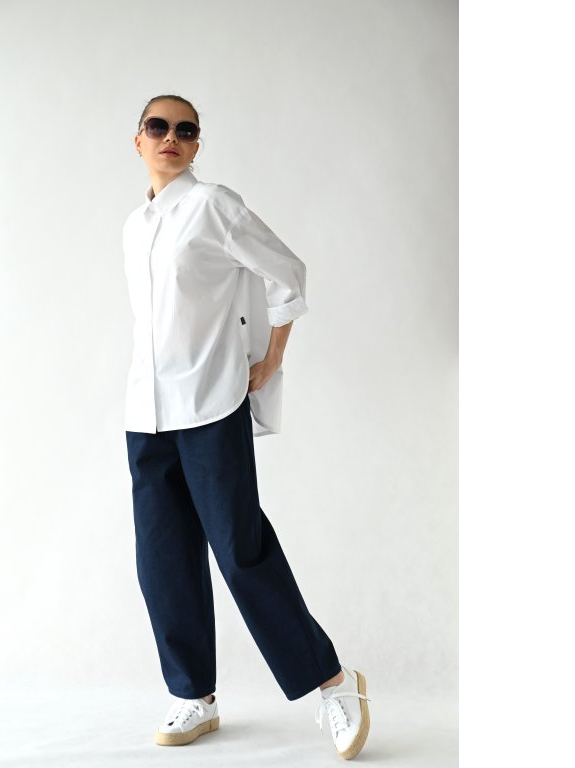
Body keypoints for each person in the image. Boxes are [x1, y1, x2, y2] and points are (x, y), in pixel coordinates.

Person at [122, 94, 371, 761]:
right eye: (157, 126)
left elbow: (287, 274)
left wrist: (272, 356)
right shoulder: (135, 226)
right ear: (137, 140)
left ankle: (332, 681)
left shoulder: (213, 206)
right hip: (146, 413)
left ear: (197, 145)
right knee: (163, 559)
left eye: (186, 130)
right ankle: (193, 695)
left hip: (210, 403)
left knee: (242, 550)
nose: (171, 137)